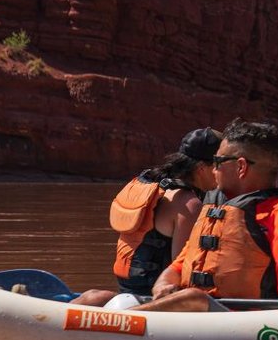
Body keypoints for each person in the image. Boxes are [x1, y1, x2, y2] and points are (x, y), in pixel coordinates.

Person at [144, 121, 278, 311]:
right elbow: (181, 263)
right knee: (114, 297)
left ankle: (126, 323)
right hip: (197, 309)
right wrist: (163, 283)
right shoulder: (215, 206)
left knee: (193, 298)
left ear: (241, 167)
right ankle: (127, 321)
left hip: (248, 318)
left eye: (218, 162)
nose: (213, 169)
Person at [69, 129, 221, 308]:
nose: (221, 172)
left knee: (95, 297)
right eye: (219, 165)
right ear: (202, 168)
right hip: (154, 296)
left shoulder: (156, 185)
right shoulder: (189, 204)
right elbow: (183, 271)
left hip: (127, 287)